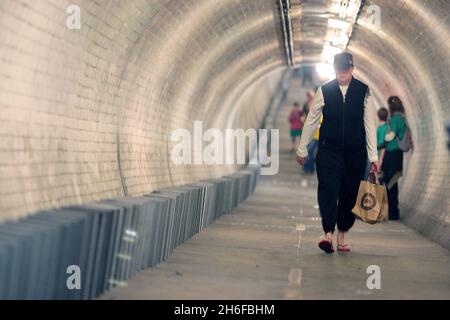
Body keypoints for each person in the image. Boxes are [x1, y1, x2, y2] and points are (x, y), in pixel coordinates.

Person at [296, 52, 379, 253]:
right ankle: (328, 234)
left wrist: (373, 156)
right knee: (328, 188)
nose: (343, 74)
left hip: (355, 152)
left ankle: (342, 232)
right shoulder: (324, 90)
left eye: (346, 70)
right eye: (339, 70)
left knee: (349, 193)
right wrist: (302, 147)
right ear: (335, 69)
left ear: (352, 68)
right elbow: (312, 119)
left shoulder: (364, 91)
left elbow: (369, 124)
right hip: (328, 149)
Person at [382, 96, 407, 220]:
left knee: (390, 184)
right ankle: (392, 212)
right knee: (392, 183)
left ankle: (393, 212)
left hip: (393, 155)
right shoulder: (402, 118)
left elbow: (390, 136)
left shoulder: (396, 119)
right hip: (396, 155)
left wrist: (382, 140)